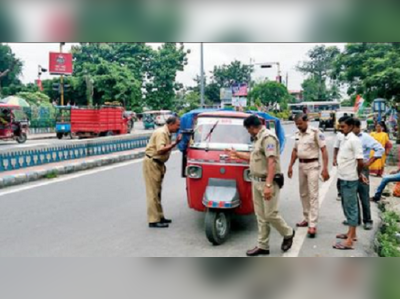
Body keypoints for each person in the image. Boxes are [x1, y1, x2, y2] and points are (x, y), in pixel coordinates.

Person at [226, 115, 295, 256]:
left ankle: (288, 233)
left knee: (270, 214)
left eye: (247, 129)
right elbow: (255, 157)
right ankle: (263, 245)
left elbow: (271, 162)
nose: (248, 132)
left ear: (252, 127)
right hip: (256, 181)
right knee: (261, 215)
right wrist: (237, 154)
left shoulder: (268, 137)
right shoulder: (258, 138)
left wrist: (268, 185)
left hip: (266, 181)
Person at [288, 114, 330, 238]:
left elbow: (324, 150)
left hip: (313, 166)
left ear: (307, 121)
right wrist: (290, 165)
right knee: (303, 193)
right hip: (301, 166)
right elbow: (295, 151)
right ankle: (306, 217)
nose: (298, 126)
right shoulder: (297, 134)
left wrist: (325, 168)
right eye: (297, 124)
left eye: (300, 123)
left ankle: (312, 224)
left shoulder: (315, 132)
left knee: (313, 194)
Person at [143, 116, 182, 228]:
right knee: (152, 192)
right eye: (177, 125)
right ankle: (153, 220)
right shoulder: (161, 133)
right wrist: (175, 143)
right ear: (171, 124)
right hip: (152, 162)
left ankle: (159, 216)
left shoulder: (167, 133)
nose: (178, 128)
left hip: (158, 164)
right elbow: (160, 150)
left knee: (157, 191)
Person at [333, 116, 365, 251]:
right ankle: (352, 234)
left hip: (350, 179)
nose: (341, 129)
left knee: (351, 208)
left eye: (343, 126)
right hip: (343, 177)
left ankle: (350, 241)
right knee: (346, 206)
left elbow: (360, 161)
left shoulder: (354, 140)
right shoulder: (344, 138)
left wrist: (359, 174)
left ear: (351, 126)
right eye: (340, 126)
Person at [350, 119, 384, 230]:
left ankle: (367, 220)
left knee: (363, 195)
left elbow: (380, 148)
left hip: (362, 168)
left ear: (357, 127)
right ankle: (356, 219)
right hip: (350, 168)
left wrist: (369, 162)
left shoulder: (365, 137)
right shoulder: (348, 137)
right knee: (352, 196)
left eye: (352, 127)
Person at [333, 131, 345, 201]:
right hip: (341, 160)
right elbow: (336, 147)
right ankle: (340, 193)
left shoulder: (353, 135)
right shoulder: (339, 135)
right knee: (340, 176)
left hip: (352, 160)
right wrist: (334, 158)